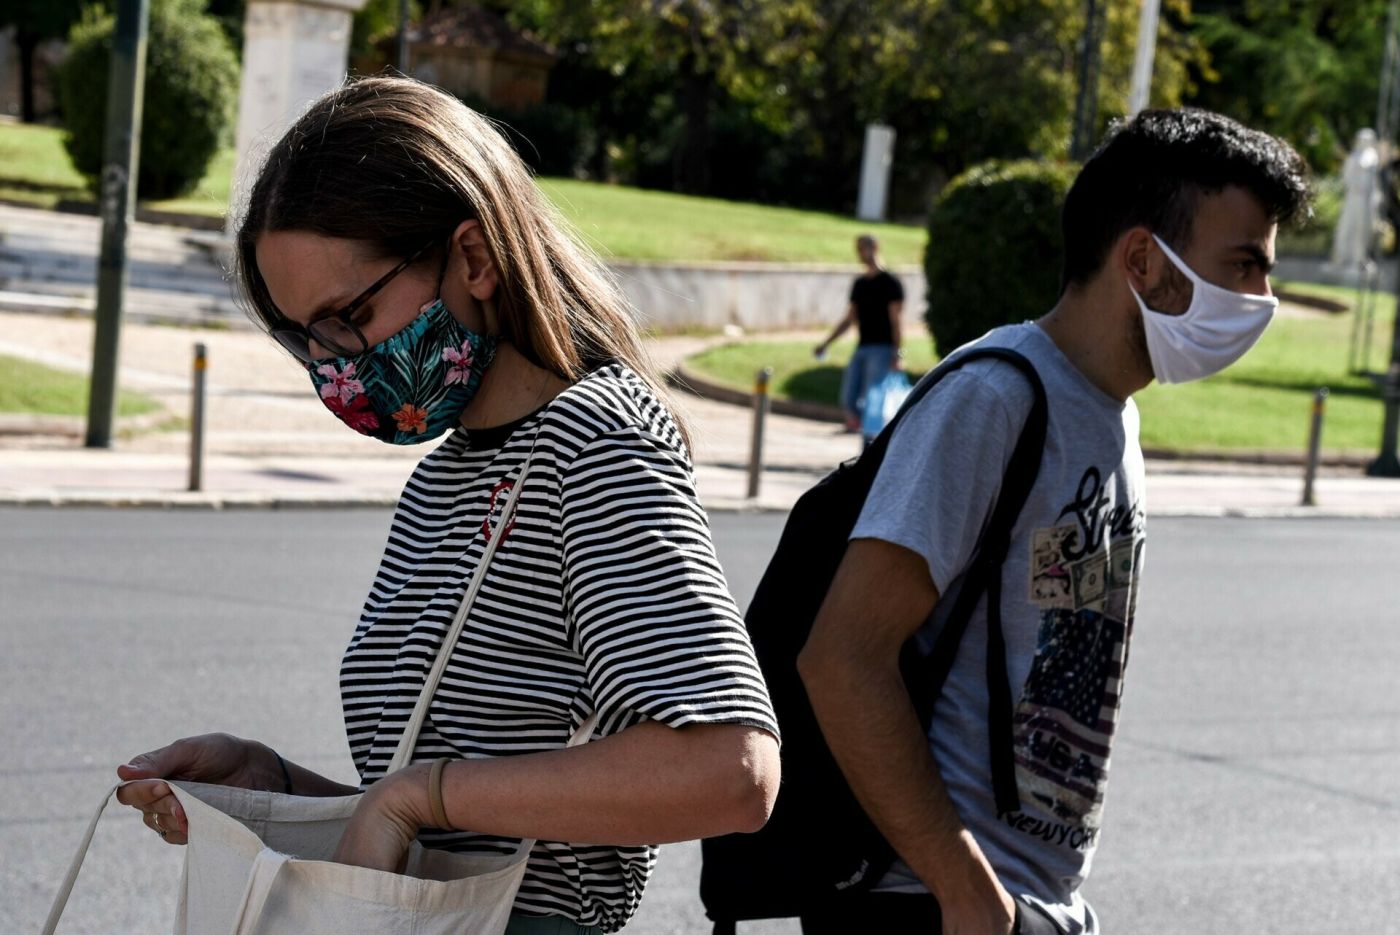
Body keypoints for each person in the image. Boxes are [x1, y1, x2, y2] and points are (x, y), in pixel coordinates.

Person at [112, 76, 780, 935]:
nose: (333, 367)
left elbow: (732, 769)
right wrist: (274, 784)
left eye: (350, 314)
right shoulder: (447, 472)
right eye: (305, 336)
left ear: (473, 257)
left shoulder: (597, 442)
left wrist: (413, 797)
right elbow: (457, 835)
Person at [796, 109, 1308, 934]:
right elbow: (842, 657)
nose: (1261, 301)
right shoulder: (993, 399)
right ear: (1143, 259)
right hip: (924, 901)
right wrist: (965, 890)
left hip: (1024, 903)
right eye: (1243, 265)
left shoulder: (1115, 416)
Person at [814, 234, 906, 432]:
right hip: (863, 346)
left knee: (873, 399)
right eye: (859, 249)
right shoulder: (860, 284)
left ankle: (869, 439)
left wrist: (897, 354)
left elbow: (896, 322)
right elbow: (849, 319)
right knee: (848, 397)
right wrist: (826, 342)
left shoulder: (891, 282)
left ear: (876, 247)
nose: (862, 253)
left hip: (883, 348)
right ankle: (859, 429)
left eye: (865, 247)